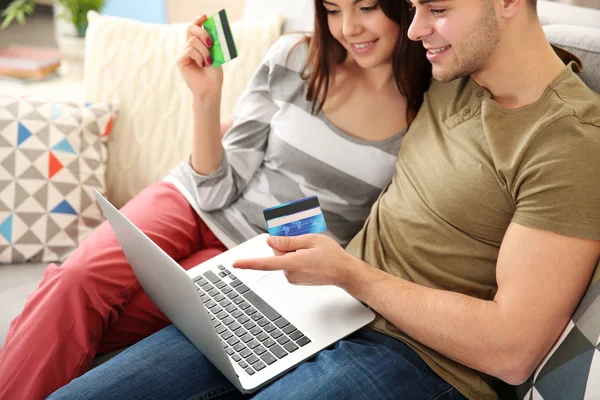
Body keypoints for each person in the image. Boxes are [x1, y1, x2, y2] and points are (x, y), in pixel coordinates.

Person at [46, 0, 600, 399]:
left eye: (436, 8)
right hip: (316, 305)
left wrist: (351, 274)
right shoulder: (449, 69)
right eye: (413, 8)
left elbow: (513, 351)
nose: (414, 30)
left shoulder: (570, 143)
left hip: (418, 362)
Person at [0, 1, 431, 399]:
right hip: (190, 200)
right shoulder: (295, 58)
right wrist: (205, 96)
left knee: (102, 317)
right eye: (333, 9)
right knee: (75, 281)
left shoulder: (427, 113)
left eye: (368, 7)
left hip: (260, 258)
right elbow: (214, 187)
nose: (348, 27)